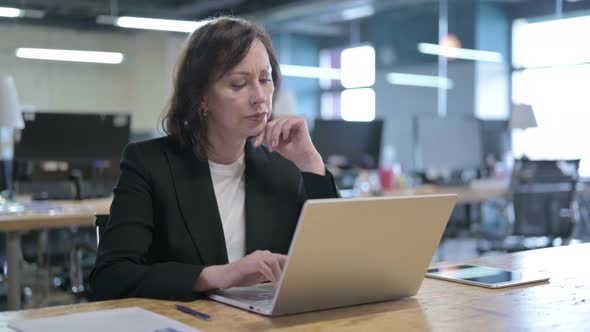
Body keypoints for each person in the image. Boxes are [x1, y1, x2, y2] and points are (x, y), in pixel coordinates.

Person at [90, 16, 339, 301]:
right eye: (238, 84)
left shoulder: (284, 167)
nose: (260, 97)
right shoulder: (150, 164)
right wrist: (215, 275)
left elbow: (338, 264)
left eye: (265, 79)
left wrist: (311, 165)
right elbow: (111, 276)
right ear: (200, 98)